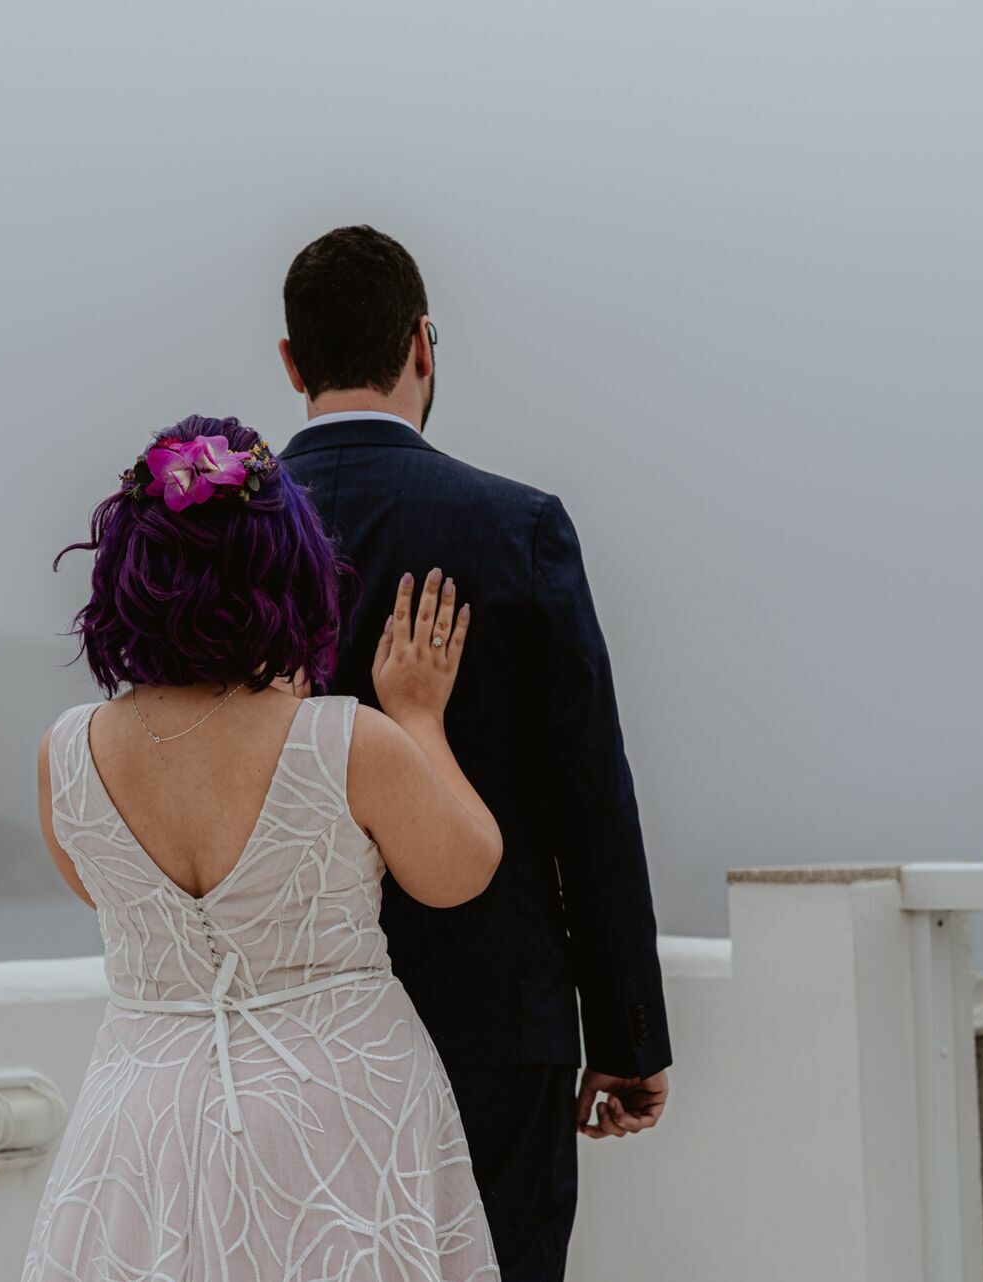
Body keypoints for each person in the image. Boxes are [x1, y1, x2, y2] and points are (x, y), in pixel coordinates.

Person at [277, 225, 673, 1282]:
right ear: (422, 346)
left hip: (287, 1024)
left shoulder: (222, 545)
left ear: (290, 361)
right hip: (495, 1019)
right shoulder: (515, 526)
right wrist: (626, 1035)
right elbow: (590, 794)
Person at [23, 413, 502, 1281]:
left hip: (142, 1118)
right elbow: (461, 872)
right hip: (338, 1111)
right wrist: (421, 719)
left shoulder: (68, 751)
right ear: (290, 570)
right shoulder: (345, 740)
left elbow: (104, 890)